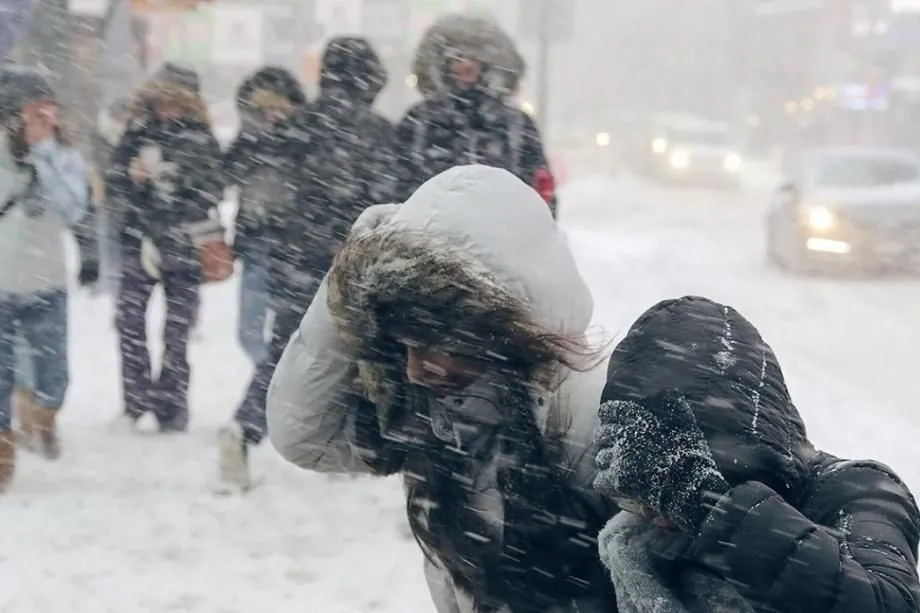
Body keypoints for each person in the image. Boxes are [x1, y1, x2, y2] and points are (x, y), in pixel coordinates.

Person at [266, 165, 618, 611]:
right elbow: (303, 435)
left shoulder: (587, 411)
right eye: (403, 344)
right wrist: (349, 284)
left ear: (503, 332)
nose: (414, 368)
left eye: (436, 343)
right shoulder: (429, 414)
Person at [593, 296, 920, 613]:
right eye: (637, 496)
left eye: (671, 489)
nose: (650, 513)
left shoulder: (857, 488)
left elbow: (889, 602)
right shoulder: (634, 542)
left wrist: (712, 509)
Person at [217, 37, 394, 492]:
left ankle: (244, 427)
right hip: (356, 261)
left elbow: (261, 183)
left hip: (295, 259)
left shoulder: (297, 126)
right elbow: (394, 201)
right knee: (363, 354)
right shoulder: (379, 132)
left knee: (286, 350)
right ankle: (350, 445)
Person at [108, 62, 222, 433]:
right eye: (162, 101)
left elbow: (211, 191)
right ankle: (136, 400)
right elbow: (113, 181)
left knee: (176, 333)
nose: (167, 110)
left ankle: (171, 405)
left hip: (183, 248)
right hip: (138, 241)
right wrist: (131, 177)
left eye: (175, 102)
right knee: (129, 323)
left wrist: (176, 181)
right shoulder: (138, 131)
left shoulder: (201, 139)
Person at [0, 65, 90, 491]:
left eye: (48, 110)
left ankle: (41, 414)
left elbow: (74, 208)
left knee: (55, 378)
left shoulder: (64, 155)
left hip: (47, 282)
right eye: (34, 112)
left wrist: (45, 155)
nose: (44, 119)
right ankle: (2, 455)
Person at [394, 14, 557, 215]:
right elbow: (397, 181)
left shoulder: (516, 124)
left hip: (498, 232)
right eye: (457, 58)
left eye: (474, 58)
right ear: (443, 64)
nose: (466, 65)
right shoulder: (419, 120)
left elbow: (540, 186)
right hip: (429, 235)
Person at [223, 66, 307, 368]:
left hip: (293, 243)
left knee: (291, 326)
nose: (273, 115)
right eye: (265, 108)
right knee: (249, 330)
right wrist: (252, 141)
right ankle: (267, 377)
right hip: (255, 239)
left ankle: (267, 386)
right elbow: (223, 174)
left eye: (279, 108)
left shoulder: (303, 141)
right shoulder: (246, 142)